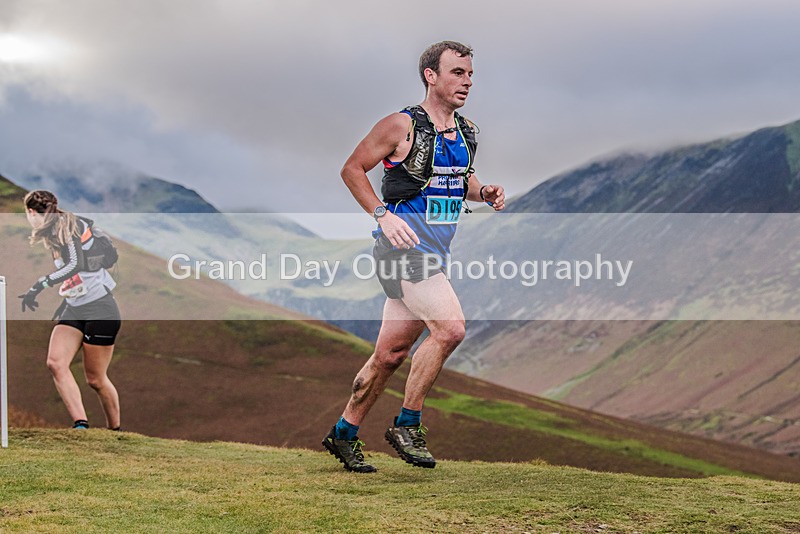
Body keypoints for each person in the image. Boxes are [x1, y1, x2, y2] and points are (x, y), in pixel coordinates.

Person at [322, 41, 505, 472]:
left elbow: (462, 183)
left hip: (434, 254)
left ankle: (344, 433)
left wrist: (486, 192)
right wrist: (383, 216)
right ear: (431, 76)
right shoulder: (400, 125)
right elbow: (351, 169)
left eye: (470, 74)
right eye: (457, 72)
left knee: (389, 355)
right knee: (451, 328)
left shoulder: (466, 132)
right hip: (402, 252)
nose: (467, 81)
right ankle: (408, 423)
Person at [19, 190, 122, 431]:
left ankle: (115, 431)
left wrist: (39, 285)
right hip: (75, 308)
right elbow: (76, 271)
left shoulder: (68, 226)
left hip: (100, 309)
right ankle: (81, 425)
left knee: (95, 379)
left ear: (32, 212)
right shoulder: (54, 231)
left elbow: (75, 263)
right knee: (55, 363)